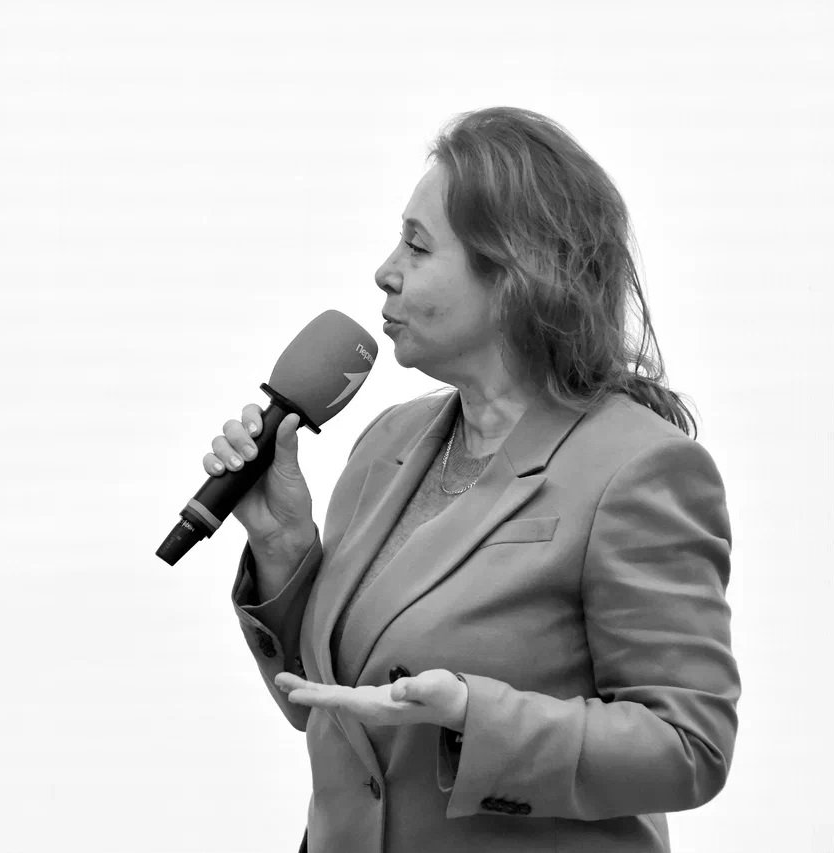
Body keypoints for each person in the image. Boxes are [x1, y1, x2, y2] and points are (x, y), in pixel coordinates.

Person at [203, 107, 739, 853]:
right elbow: (326, 709)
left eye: (417, 246)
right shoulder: (386, 443)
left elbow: (689, 747)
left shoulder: (640, 468)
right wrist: (282, 545)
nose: (384, 271)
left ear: (514, 276)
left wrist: (470, 714)